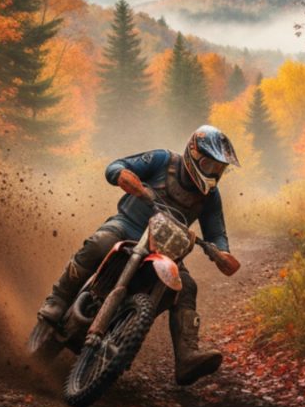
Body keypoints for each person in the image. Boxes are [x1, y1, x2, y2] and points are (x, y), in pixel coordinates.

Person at [37, 125, 240, 385]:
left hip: (167, 246)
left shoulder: (211, 196)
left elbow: (216, 232)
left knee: (187, 286)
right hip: (128, 227)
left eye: (219, 169)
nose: (214, 173)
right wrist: (123, 175)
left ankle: (187, 355)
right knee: (101, 242)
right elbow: (115, 166)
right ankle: (57, 300)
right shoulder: (163, 161)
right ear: (193, 153)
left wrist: (222, 252)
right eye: (209, 165)